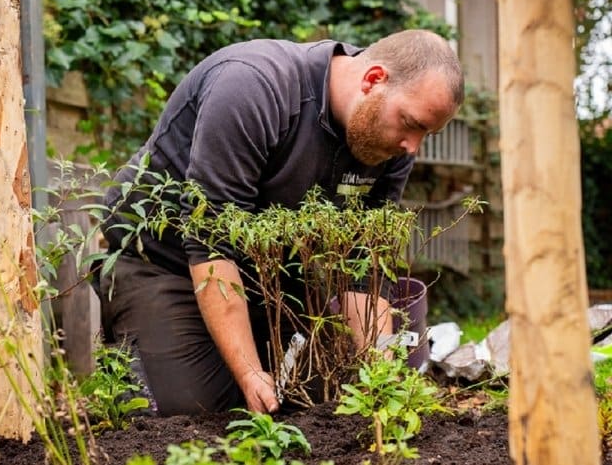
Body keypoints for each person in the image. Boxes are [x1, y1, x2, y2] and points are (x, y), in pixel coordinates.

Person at [99, 29, 464, 416]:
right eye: (411, 123)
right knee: (198, 411)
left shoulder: (390, 146)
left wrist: (382, 377)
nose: (413, 146)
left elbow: (363, 265)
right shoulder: (254, 88)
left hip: (270, 276)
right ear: (373, 80)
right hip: (164, 264)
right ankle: (142, 346)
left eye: (426, 132)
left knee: (323, 392)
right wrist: (250, 373)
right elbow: (211, 244)